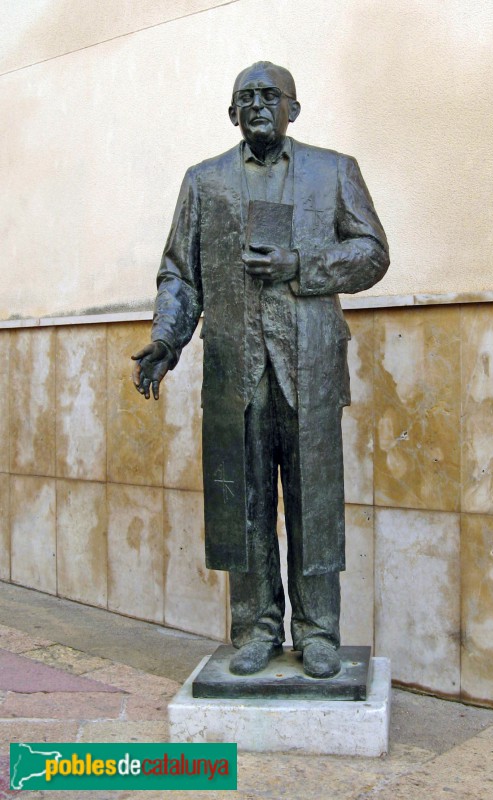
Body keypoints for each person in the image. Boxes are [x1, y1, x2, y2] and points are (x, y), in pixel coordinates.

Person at [132, 61, 389, 679]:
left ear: (293, 109)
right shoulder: (204, 181)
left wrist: (301, 265)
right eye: (244, 98)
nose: (256, 106)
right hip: (235, 367)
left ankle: (319, 632)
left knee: (315, 502)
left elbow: (373, 253)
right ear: (230, 114)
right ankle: (256, 628)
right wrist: (166, 340)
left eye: (269, 96)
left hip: (310, 366)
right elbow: (179, 273)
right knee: (241, 503)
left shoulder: (335, 171)